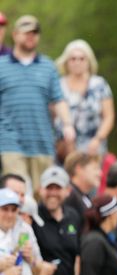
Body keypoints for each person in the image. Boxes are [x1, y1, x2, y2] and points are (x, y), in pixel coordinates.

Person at [0, 16, 75, 190]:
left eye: (34, 33)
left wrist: (67, 124)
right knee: (18, 193)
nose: (30, 37)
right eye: (26, 33)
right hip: (10, 142)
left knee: (40, 197)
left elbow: (58, 99)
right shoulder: (1, 65)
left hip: (42, 143)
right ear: (16, 34)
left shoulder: (48, 66)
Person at [55, 39, 114, 158]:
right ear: (66, 62)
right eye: (73, 59)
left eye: (82, 58)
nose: (77, 62)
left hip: (94, 148)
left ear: (89, 61)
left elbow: (109, 116)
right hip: (65, 149)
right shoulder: (58, 85)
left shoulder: (99, 84)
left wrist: (98, 139)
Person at [63, 152, 101, 219]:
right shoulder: (69, 195)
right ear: (79, 169)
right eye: (95, 168)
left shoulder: (84, 195)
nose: (100, 173)